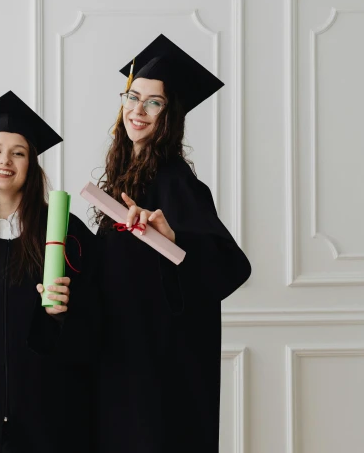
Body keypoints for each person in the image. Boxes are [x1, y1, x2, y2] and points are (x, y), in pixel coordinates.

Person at [93, 35, 252, 452]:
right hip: (120, 367)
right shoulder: (126, 180)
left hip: (160, 380)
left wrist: (175, 239)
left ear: (170, 115)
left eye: (153, 102)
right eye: (132, 96)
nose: (137, 110)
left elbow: (233, 266)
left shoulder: (177, 183)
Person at [0, 91, 97, 453]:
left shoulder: (65, 232)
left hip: (56, 405)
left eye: (19, 152)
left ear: (32, 165)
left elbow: (101, 314)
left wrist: (64, 316)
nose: (4, 161)